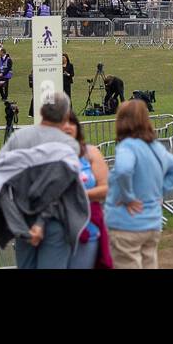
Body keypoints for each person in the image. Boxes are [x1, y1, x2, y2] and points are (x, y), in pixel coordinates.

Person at [0, 92, 88, 270]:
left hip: (23, 220)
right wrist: (41, 223)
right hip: (55, 221)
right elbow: (57, 191)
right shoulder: (69, 145)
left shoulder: (18, 137)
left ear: (40, 110)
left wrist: (18, 224)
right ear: (65, 114)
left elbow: (0, 179)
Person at [105, 98, 173, 269]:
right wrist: (161, 191)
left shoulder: (127, 146)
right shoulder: (156, 147)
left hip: (126, 224)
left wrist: (128, 197)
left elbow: (124, 169)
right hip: (152, 222)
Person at [62, 111, 112, 269]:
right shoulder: (45, 154)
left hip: (88, 225)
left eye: (71, 122)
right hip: (57, 227)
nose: (67, 127)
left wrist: (80, 195)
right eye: (62, 123)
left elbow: (105, 188)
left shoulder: (90, 153)